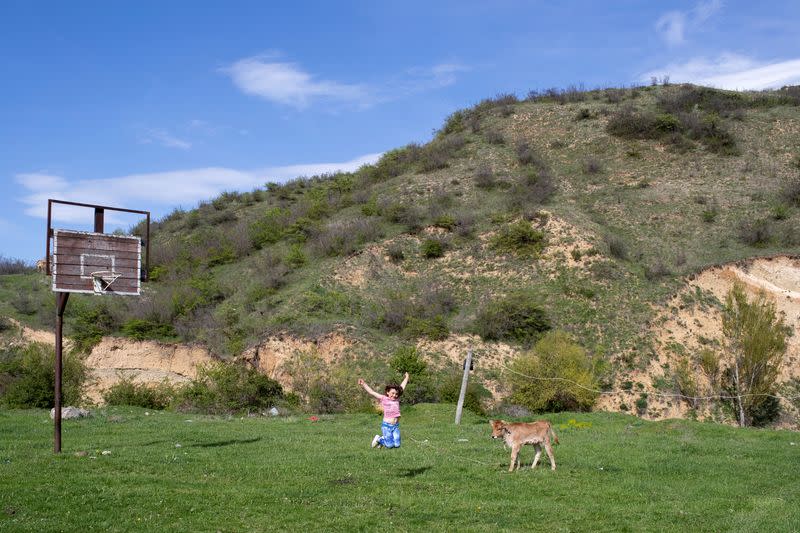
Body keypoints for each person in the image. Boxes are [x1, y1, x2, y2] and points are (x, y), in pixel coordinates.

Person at [358, 372, 409, 449]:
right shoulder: (384, 398)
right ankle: (379, 439)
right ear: (388, 392)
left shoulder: (397, 399)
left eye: (396, 394)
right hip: (386, 426)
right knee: (389, 446)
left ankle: (383, 440)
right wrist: (364, 384)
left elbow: (402, 387)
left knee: (397, 445)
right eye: (393, 393)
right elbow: (372, 392)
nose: (394, 395)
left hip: (395, 426)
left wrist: (406, 378)